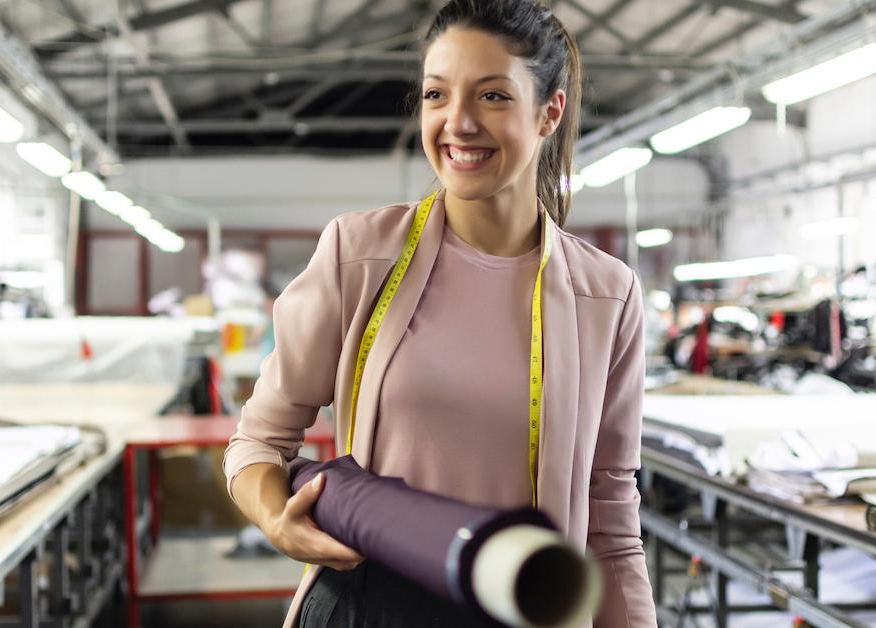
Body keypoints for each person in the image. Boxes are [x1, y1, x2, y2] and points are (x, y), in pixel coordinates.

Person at [223, 1, 657, 626]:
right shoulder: (360, 255)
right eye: (436, 94)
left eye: (492, 97)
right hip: (370, 608)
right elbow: (258, 442)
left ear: (549, 112)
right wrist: (276, 520)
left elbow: (610, 516)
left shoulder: (605, 295)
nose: (458, 123)